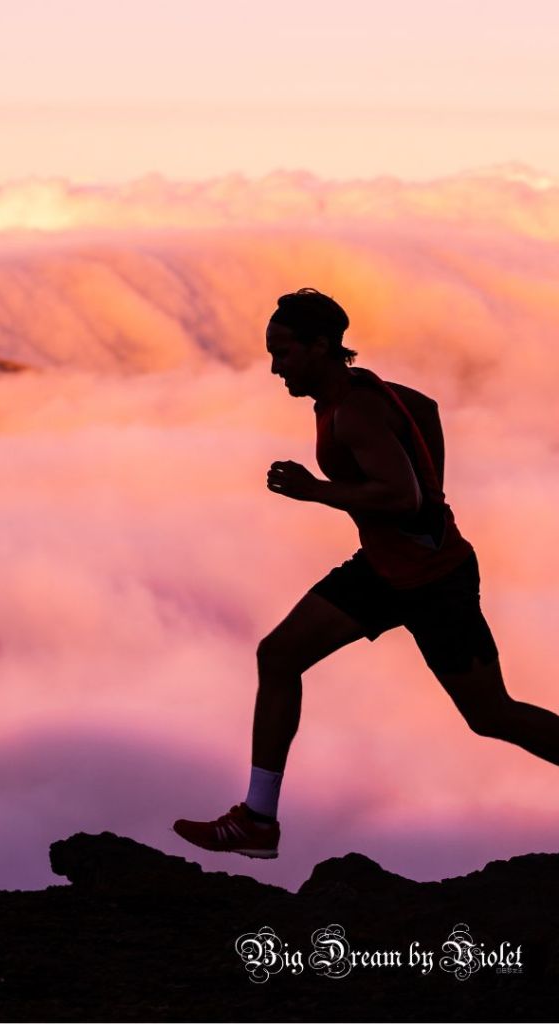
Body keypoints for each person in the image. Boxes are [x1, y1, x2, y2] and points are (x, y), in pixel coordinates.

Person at [173, 287, 559, 860]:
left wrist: (317, 491)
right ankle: (257, 821)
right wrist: (435, 498)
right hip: (386, 570)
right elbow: (424, 409)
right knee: (278, 656)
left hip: (434, 582)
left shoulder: (352, 411)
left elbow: (399, 497)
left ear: (320, 346)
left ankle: (257, 822)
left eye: (282, 351)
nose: (274, 365)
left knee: (490, 714)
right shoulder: (359, 392)